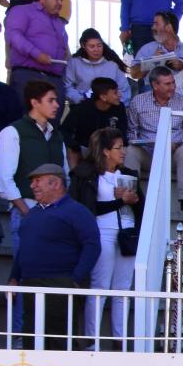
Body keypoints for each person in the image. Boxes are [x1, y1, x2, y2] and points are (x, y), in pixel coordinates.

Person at [66, 129, 139, 349]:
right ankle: (92, 342)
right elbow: (88, 209)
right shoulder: (86, 174)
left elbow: (139, 205)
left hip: (127, 234)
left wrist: (134, 199)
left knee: (123, 289)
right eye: (119, 148)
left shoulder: (128, 173)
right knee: (100, 286)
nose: (123, 152)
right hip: (101, 234)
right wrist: (120, 201)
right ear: (106, 151)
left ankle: (120, 340)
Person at [10, 163, 99, 343]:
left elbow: (92, 246)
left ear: (56, 183)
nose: (32, 186)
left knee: (60, 339)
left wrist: (74, 279)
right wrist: (14, 277)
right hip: (30, 283)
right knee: (31, 338)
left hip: (60, 283)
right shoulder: (32, 214)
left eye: (38, 181)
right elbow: (24, 248)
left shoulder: (77, 211)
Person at [0, 81, 68, 249]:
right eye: (50, 100)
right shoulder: (13, 132)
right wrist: (26, 212)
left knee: (51, 271)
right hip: (27, 210)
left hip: (55, 214)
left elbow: (65, 174)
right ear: (35, 102)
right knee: (25, 272)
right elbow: (4, 180)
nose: (57, 105)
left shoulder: (57, 136)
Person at [5, 0, 67, 109]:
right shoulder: (22, 11)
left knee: (51, 125)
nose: (60, 3)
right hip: (29, 76)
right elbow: (14, 36)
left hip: (55, 79)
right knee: (27, 122)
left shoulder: (59, 22)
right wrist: (36, 54)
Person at [61, 77, 127, 169]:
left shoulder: (119, 108)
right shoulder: (82, 108)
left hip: (110, 147)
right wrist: (74, 145)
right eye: (115, 93)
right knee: (71, 150)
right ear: (103, 97)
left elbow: (123, 130)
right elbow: (64, 129)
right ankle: (75, 178)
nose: (119, 95)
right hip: (86, 147)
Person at [65, 28, 129, 105]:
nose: (96, 49)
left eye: (99, 45)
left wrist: (117, 103)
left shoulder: (113, 64)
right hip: (82, 105)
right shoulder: (74, 62)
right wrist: (80, 100)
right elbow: (68, 86)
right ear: (83, 46)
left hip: (110, 106)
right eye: (92, 46)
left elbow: (124, 89)